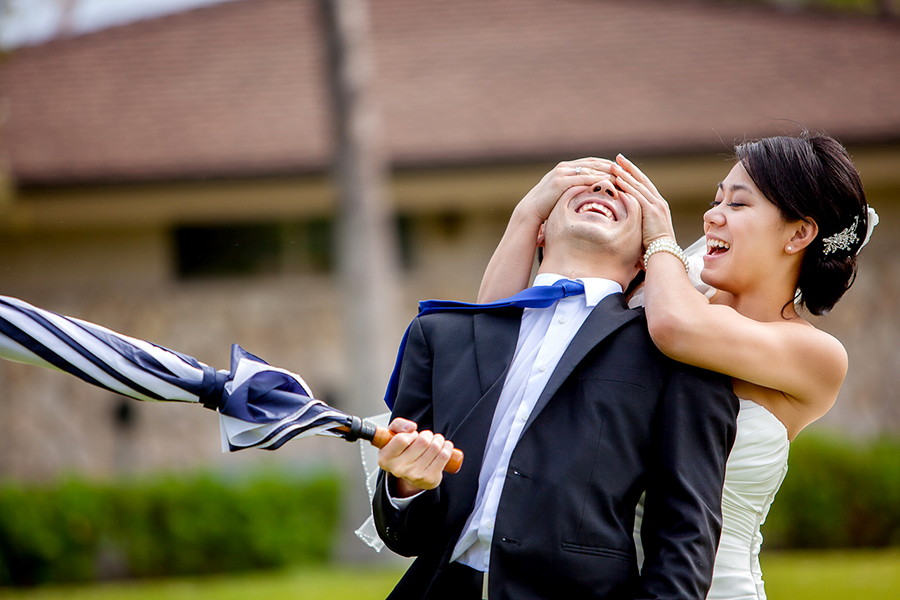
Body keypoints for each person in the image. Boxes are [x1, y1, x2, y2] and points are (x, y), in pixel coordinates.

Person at [477, 131, 876, 600]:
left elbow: (677, 330)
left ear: (799, 233)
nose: (712, 216)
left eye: (738, 205)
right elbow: (496, 343)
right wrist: (527, 215)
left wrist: (660, 239)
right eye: (715, 200)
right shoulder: (667, 295)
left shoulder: (816, 355)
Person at [373, 161, 740, 600]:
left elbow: (686, 533)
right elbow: (406, 536)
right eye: (581, 183)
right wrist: (406, 485)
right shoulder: (440, 335)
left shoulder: (677, 359)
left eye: (624, 191)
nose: (604, 185)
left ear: (646, 255)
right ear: (541, 230)